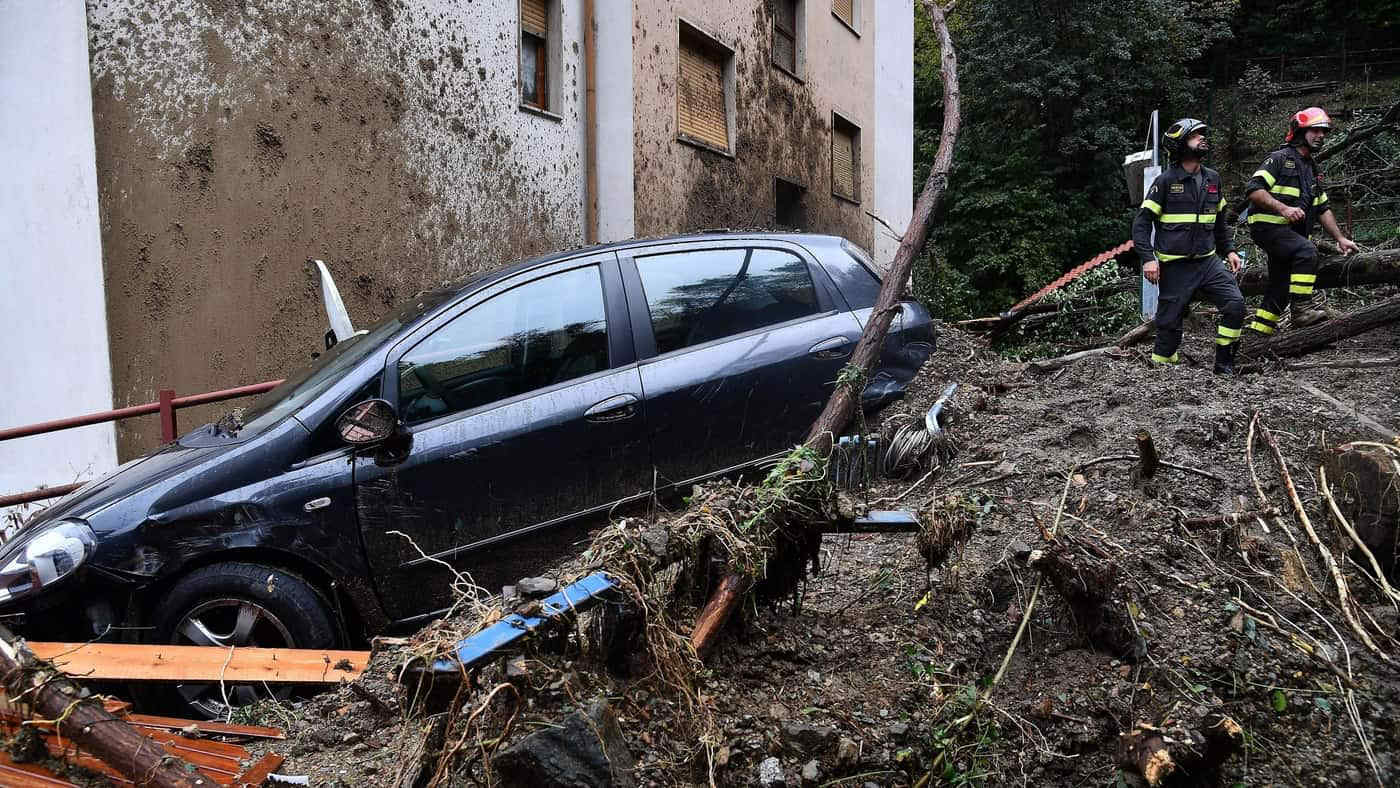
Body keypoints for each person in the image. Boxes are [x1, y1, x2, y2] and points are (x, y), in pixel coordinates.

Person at [1131, 118, 1245, 374]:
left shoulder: (1213, 179)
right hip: (1175, 266)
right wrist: (1148, 258)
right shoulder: (1165, 181)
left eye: (1204, 134)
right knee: (1169, 325)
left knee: (1235, 305)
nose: (1203, 139)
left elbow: (1219, 223)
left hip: (1208, 262)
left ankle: (1224, 365)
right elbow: (1141, 223)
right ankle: (1161, 374)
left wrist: (1230, 250)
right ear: (1181, 144)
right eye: (1196, 136)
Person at [1243, 106, 1360, 335]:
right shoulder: (1279, 159)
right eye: (1314, 130)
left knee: (1280, 285)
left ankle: (1258, 335)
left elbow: (1322, 207)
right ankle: (1302, 310)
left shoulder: (1312, 169)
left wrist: (1340, 239)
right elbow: (1254, 190)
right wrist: (1283, 208)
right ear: (1299, 132)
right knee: (1307, 252)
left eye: (1324, 132)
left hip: (1289, 235)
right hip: (1268, 228)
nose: (1321, 136)